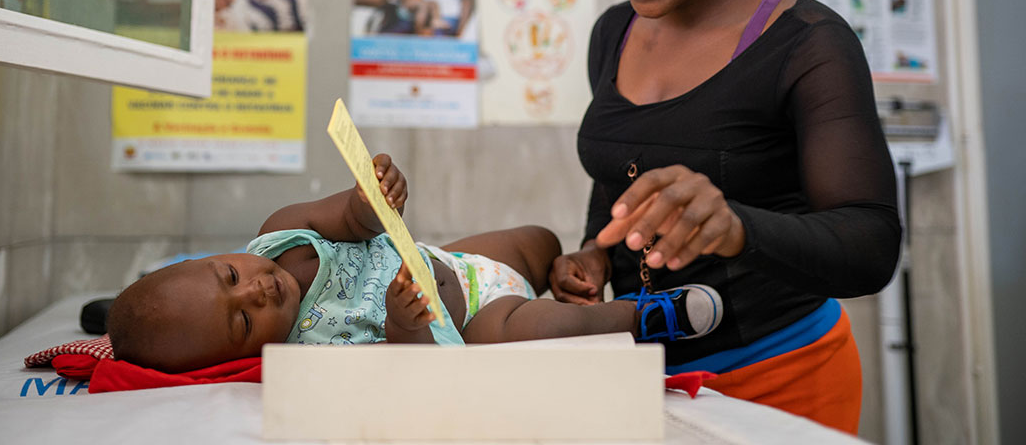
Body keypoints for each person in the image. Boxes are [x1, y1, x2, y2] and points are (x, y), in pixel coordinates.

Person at [546, 0, 900, 435]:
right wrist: (594, 251)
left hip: (783, 373)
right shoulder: (612, 33)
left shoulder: (809, 45)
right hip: (647, 373)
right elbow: (621, 173)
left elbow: (871, 243)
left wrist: (738, 227)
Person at [106, 154, 723, 374]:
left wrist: (375, 195)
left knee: (537, 240)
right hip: (471, 322)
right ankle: (643, 318)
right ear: (241, 357)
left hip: (460, 259)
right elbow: (407, 365)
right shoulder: (308, 357)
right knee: (538, 329)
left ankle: (569, 273)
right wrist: (405, 323)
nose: (257, 292)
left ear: (222, 257)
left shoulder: (279, 238)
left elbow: (350, 218)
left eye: (230, 277)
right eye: (242, 323)